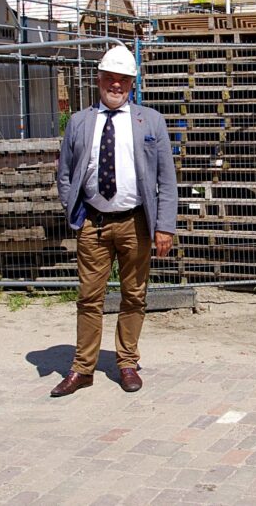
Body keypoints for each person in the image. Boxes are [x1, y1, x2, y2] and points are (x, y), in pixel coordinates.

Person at [51, 44, 177, 397]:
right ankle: (82, 368)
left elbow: (166, 178)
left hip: (135, 223)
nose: (116, 85)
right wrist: (71, 209)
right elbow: (64, 173)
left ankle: (127, 362)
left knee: (134, 295)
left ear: (132, 83)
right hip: (93, 223)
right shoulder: (79, 122)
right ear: (99, 79)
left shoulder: (150, 121)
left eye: (123, 80)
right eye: (110, 78)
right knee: (88, 297)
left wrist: (164, 225)